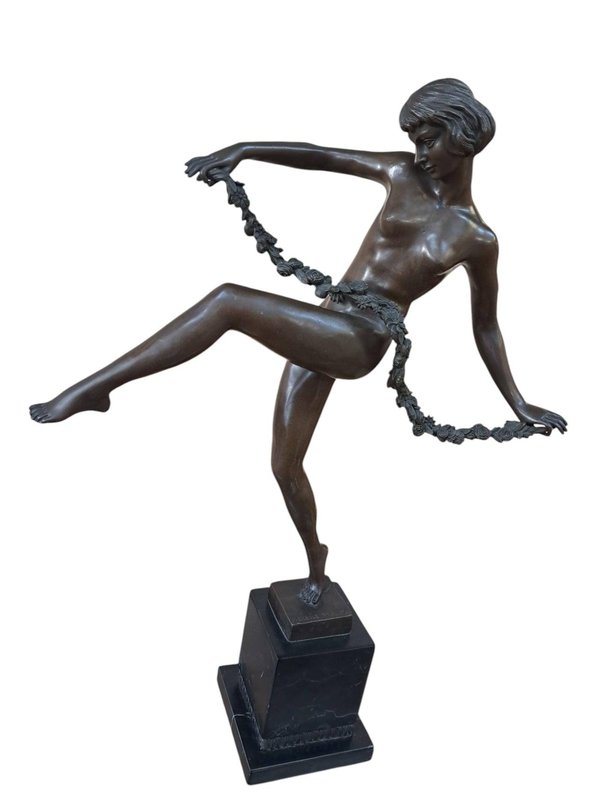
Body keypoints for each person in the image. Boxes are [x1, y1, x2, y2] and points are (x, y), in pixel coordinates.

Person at [30, 78, 566, 605]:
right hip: (324, 322)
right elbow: (321, 156)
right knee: (284, 466)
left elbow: (486, 327)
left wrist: (518, 403)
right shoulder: (401, 172)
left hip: (360, 342)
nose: (419, 153)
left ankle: (95, 389)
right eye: (414, 141)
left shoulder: (477, 239)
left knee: (229, 302)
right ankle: (316, 561)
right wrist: (246, 149)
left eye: (428, 140)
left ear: (464, 137)